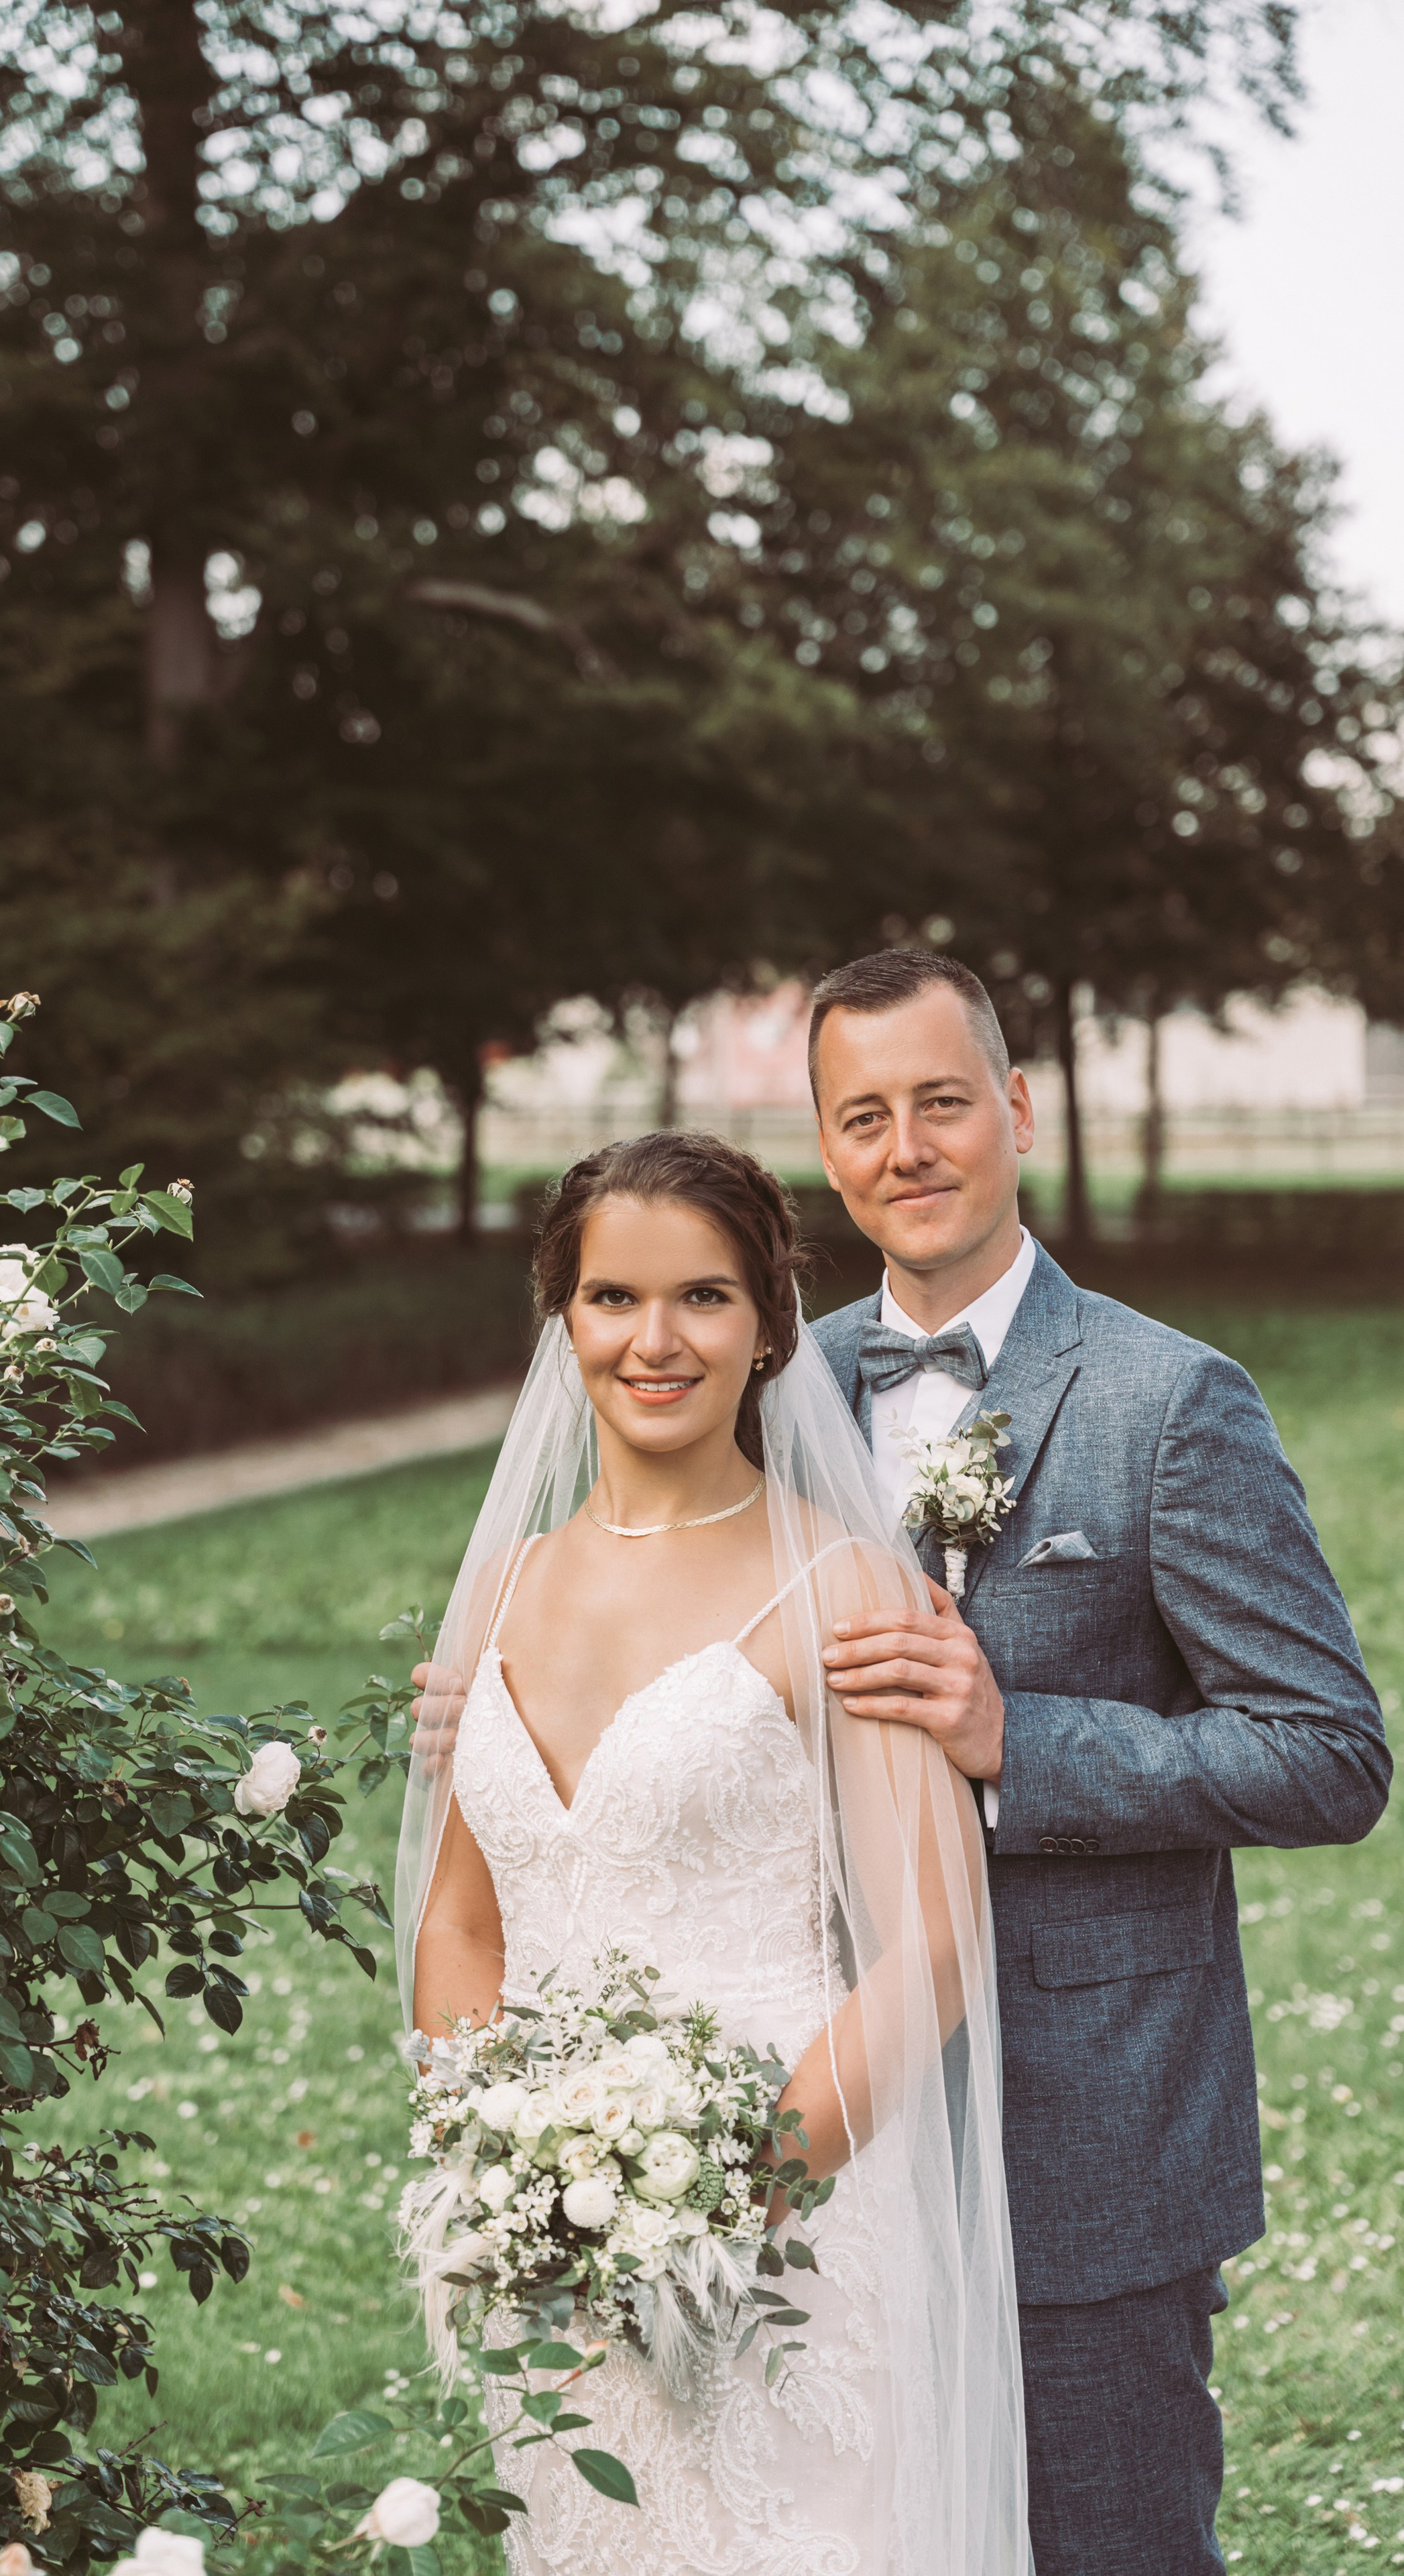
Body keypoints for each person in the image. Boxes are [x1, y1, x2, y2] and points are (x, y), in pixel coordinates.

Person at [805, 948, 1391, 2576]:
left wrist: (1016, 1743)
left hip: (1087, 2143)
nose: (904, 1148)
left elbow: (1326, 1753)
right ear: (825, 1146)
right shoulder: (776, 1396)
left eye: (938, 1101)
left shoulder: (1168, 1398)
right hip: (827, 2126)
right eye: (862, 1116)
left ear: (1016, 1106)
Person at [400, 1131, 1031, 2576]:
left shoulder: (845, 1588)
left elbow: (930, 1944)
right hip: (546, 2249)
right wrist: (504, 2168)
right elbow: (460, 1927)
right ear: (560, 1316)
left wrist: (723, 2199)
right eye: (612, 1298)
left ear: (766, 1328)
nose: (653, 1339)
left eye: (701, 1297)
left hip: (781, 2233)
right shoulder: (497, 1585)